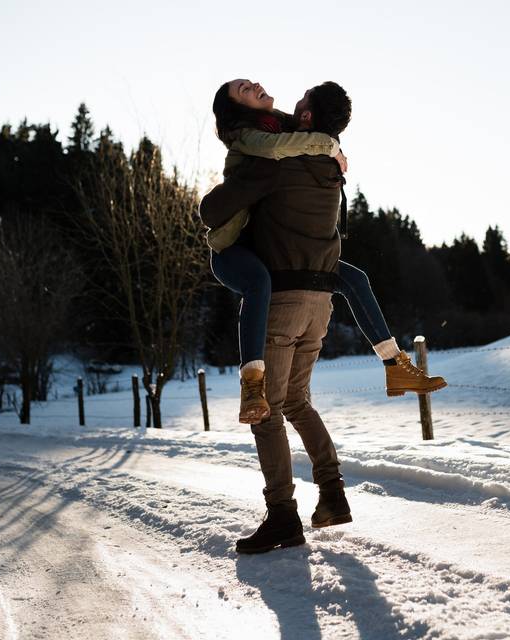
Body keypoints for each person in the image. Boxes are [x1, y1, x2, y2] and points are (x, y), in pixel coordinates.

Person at [204, 78, 446, 426]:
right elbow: (283, 147)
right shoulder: (248, 135)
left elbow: (305, 129)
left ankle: (394, 364)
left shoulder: (281, 124)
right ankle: (252, 384)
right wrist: (330, 147)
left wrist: (329, 146)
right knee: (258, 283)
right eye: (244, 90)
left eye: (249, 82)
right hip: (231, 247)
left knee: (355, 279)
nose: (254, 84)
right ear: (240, 108)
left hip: (263, 244)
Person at [201, 82, 354, 553]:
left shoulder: (276, 162)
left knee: (265, 412)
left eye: (302, 99)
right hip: (321, 303)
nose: (293, 101)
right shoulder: (333, 168)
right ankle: (331, 493)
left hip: (282, 303)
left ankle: (282, 516)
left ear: (306, 119)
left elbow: (215, 209)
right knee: (297, 402)